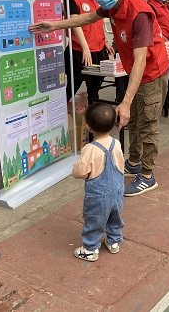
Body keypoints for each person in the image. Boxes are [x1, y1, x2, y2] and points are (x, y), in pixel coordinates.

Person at [29, 0, 169, 196]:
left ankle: (147, 174)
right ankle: (134, 162)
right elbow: (86, 18)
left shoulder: (139, 13)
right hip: (135, 71)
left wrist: (124, 101)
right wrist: (53, 25)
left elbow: (142, 61)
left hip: (151, 74)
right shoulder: (113, 5)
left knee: (147, 124)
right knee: (133, 120)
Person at [71, 103, 125, 261]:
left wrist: (75, 169)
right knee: (115, 217)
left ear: (88, 127)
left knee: (94, 220)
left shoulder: (90, 149)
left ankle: (90, 248)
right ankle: (114, 241)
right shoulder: (117, 144)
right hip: (118, 191)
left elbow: (80, 172)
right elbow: (120, 165)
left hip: (98, 195)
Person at [65, 0, 114, 102]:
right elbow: (75, 24)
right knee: (74, 85)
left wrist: (105, 41)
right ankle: (62, 114)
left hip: (98, 48)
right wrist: (85, 48)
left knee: (95, 86)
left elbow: (97, 21)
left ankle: (93, 116)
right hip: (80, 50)